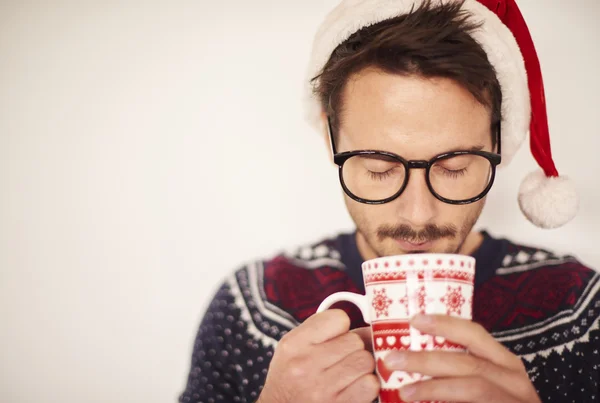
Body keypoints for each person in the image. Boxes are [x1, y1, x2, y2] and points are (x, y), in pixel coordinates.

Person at [179, 0, 599, 402]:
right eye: (379, 168)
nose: (418, 215)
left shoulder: (581, 310)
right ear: (330, 138)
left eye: (454, 167)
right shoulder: (250, 308)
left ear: (498, 143)